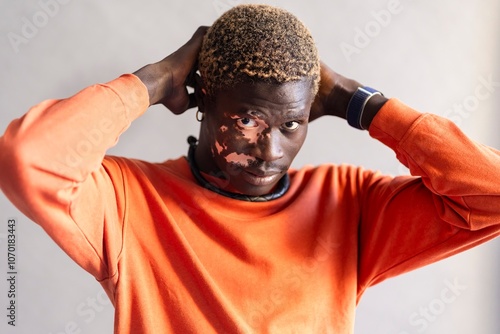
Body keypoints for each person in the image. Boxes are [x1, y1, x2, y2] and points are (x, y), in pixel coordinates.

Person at [0, 4, 499, 333]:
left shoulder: (348, 205)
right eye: (248, 119)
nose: (270, 150)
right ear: (203, 102)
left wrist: (361, 102)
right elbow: (28, 158)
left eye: (292, 124)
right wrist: (154, 80)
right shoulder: (131, 200)